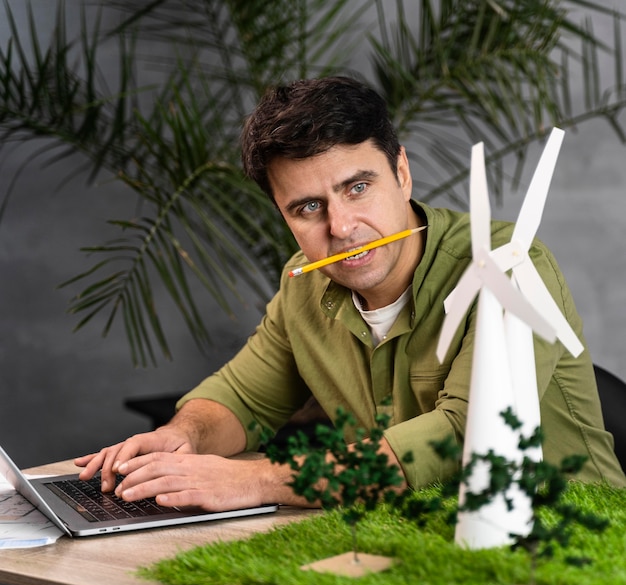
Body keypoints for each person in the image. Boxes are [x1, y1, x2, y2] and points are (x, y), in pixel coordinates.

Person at [75, 76, 626, 510]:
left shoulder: (510, 265)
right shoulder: (306, 284)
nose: (341, 226)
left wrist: (259, 479)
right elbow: (241, 399)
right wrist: (185, 437)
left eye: (358, 188)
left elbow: (464, 435)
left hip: (569, 529)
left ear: (402, 173)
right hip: (411, 527)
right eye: (308, 207)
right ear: (284, 215)